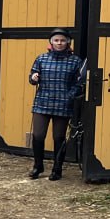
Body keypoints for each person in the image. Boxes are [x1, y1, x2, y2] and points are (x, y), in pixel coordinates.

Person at [28, 28, 86, 181]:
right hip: (42, 102)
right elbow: (32, 77)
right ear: (51, 42)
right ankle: (38, 166)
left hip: (63, 104)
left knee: (59, 137)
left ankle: (57, 169)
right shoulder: (41, 59)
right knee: (38, 135)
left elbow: (79, 83)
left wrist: (69, 96)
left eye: (62, 40)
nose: (59, 43)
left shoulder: (76, 61)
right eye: (56, 40)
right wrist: (34, 77)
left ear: (68, 42)